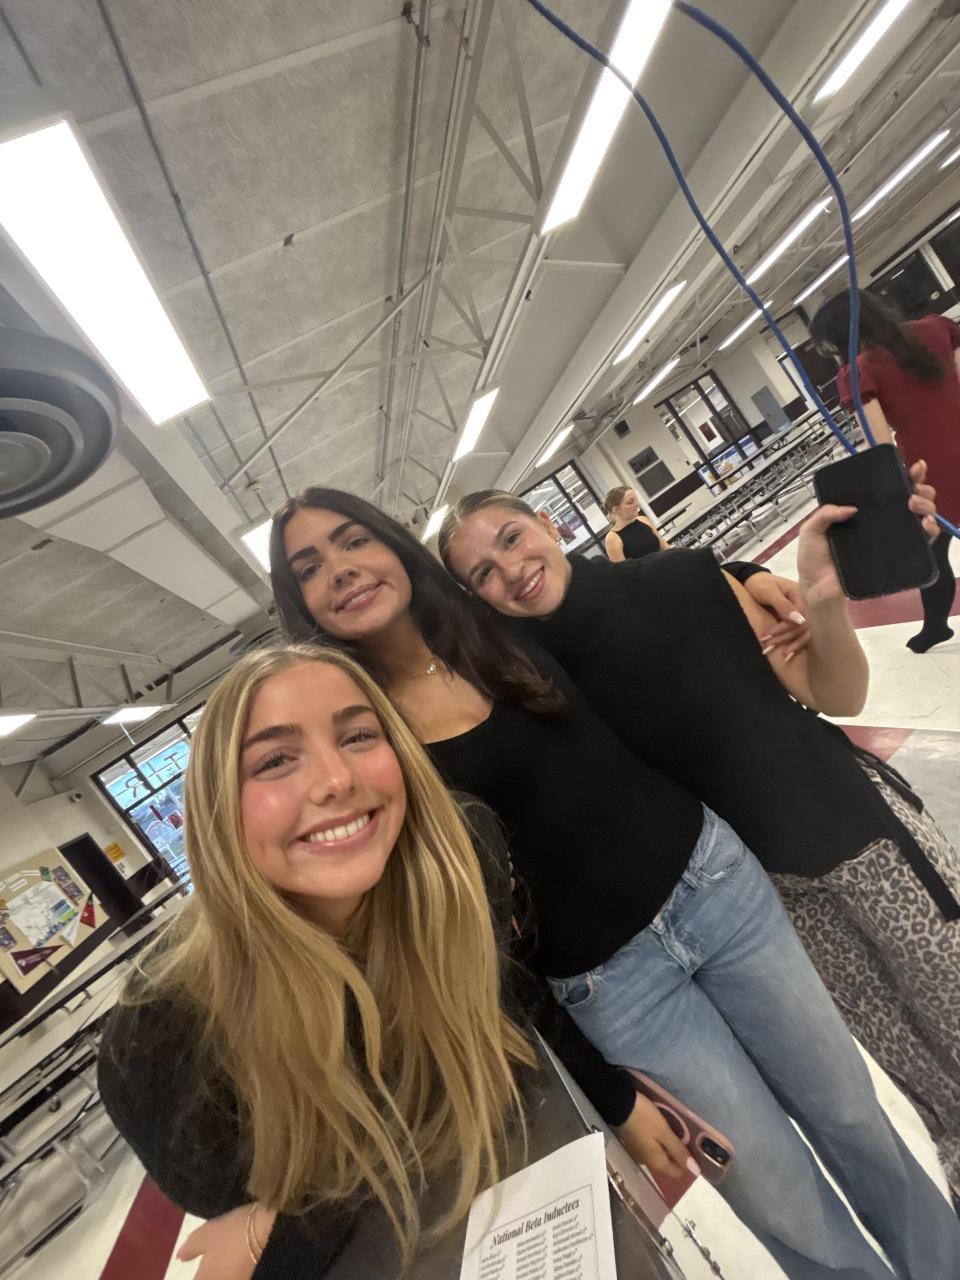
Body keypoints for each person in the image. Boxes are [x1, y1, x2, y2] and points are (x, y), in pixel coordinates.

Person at [259, 485, 960, 1278]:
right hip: (614, 988)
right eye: (309, 567)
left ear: (392, 545)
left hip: (717, 888)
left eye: (354, 540)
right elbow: (466, 937)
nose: (341, 570)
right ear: (301, 603)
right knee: (773, 1193)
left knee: (853, 1118)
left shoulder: (488, 624)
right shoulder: (366, 740)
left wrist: (739, 574)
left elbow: (610, 602)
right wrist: (608, 1094)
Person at [438, 481, 960, 1213]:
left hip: (862, 840)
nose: (511, 569)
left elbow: (836, 696)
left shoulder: (685, 579)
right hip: (767, 902)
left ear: (549, 525)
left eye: (512, 538)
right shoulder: (529, 682)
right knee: (922, 1084)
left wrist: (821, 602)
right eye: (483, 573)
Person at [101, 644, 656, 1277]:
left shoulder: (461, 861)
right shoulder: (159, 1046)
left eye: (359, 735)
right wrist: (273, 1235)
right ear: (217, 809)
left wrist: (617, 1101)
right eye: (276, 760)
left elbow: (507, 996)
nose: (337, 780)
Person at [811, 289, 959, 653]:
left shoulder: (859, 370)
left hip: (930, 470)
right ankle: (934, 627)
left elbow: (880, 446)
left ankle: (935, 626)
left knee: (933, 553)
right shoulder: (935, 328)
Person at [602, 485, 668, 560]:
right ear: (615, 509)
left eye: (636, 499)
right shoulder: (613, 538)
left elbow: (665, 547)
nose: (636, 504)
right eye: (630, 502)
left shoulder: (644, 520)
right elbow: (623, 567)